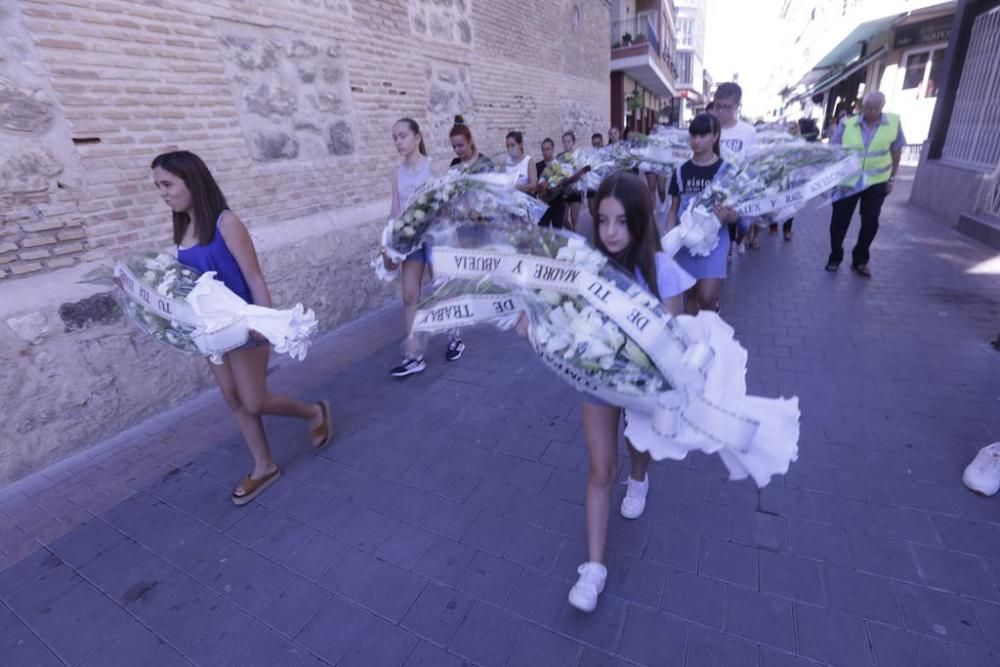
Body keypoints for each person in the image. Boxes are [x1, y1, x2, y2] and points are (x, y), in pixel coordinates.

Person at [518, 172, 693, 612]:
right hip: (596, 383)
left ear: (639, 219)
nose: (610, 232)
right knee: (599, 469)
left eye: (621, 221)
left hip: (643, 389)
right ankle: (594, 567)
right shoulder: (586, 267)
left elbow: (671, 345)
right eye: (602, 221)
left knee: (637, 443)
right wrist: (534, 324)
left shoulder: (663, 270)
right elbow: (562, 317)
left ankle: (640, 478)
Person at [151, 151, 333, 506]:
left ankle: (314, 412)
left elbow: (253, 275)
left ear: (192, 181)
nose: (163, 193)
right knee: (234, 399)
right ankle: (263, 466)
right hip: (210, 332)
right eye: (158, 186)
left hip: (246, 326)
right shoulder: (182, 229)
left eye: (168, 184)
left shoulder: (225, 223)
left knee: (255, 399)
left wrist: (263, 322)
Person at [382, 118, 449, 377]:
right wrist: (390, 244)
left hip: (435, 238)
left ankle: (454, 336)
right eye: (395, 138)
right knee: (409, 296)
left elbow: (445, 207)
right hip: (411, 243)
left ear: (417, 137)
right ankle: (414, 355)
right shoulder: (396, 173)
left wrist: (429, 213)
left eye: (402, 136)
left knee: (442, 290)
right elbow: (395, 211)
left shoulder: (434, 169)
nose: (398, 142)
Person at [824, 91, 904, 277]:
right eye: (868, 107)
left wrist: (891, 179)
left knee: (870, 222)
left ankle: (860, 260)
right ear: (861, 107)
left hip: (876, 183)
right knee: (838, 222)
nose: (871, 111)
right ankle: (835, 257)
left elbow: (896, 152)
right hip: (847, 182)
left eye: (876, 108)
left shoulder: (893, 124)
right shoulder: (847, 124)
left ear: (882, 107)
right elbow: (833, 151)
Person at [666, 113, 741, 314]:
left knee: (706, 297)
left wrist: (728, 216)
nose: (696, 141)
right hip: (685, 239)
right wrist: (669, 239)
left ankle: (711, 320)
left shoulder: (727, 171)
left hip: (715, 241)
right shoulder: (680, 171)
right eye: (693, 136)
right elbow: (673, 209)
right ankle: (695, 339)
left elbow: (736, 215)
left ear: (715, 136)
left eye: (702, 135)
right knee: (689, 294)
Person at [712, 82, 757, 257]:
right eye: (718, 106)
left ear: (737, 106)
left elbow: (752, 161)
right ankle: (724, 251)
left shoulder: (748, 131)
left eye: (727, 107)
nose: (721, 111)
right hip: (713, 189)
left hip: (739, 188)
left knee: (744, 224)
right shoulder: (710, 127)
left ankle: (736, 240)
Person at [768, 121, 801, 240]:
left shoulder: (800, 143)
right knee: (775, 201)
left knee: (790, 203)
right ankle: (773, 225)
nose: (790, 130)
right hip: (779, 177)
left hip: (792, 178)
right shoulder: (778, 142)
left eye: (792, 128)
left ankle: (787, 230)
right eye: (788, 128)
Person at [536, 138, 567, 228]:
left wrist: (558, 185)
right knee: (542, 231)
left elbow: (565, 183)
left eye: (548, 149)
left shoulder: (559, 165)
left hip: (558, 202)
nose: (545, 152)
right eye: (543, 149)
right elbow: (535, 185)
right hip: (543, 203)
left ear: (553, 149)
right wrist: (542, 186)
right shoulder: (538, 166)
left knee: (557, 231)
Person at [560, 130, 583, 231]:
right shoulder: (560, 157)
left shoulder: (578, 155)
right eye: (564, 141)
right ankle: (572, 235)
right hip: (565, 191)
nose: (566, 144)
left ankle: (577, 242)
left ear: (573, 142)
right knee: (564, 218)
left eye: (568, 141)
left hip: (576, 190)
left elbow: (582, 171)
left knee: (574, 218)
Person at [504, 130, 537, 195]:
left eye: (513, 145)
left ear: (520, 144)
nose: (510, 148)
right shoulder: (506, 162)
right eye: (508, 146)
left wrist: (517, 187)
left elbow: (533, 185)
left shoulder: (529, 161)